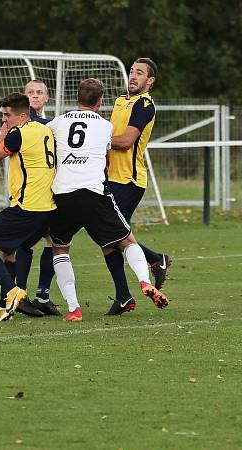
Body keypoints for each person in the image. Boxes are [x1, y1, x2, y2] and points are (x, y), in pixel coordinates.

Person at [46, 78, 169, 321]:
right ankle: (145, 282)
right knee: (126, 241)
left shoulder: (58, 122)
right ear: (100, 102)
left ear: (77, 98)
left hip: (63, 194)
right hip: (94, 193)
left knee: (59, 249)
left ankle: (74, 309)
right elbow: (109, 154)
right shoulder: (105, 127)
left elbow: (45, 139)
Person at [0, 93, 56, 321]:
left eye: (7, 116)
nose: (4, 120)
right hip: (47, 208)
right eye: (2, 115)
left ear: (22, 115)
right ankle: (4, 307)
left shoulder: (19, 134)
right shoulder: (46, 130)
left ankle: (14, 291)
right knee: (9, 253)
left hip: (26, 208)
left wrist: (2, 133)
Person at [104, 57, 171, 315]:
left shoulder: (144, 105)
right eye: (132, 71)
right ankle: (126, 293)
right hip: (111, 177)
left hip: (130, 181)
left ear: (149, 81)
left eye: (139, 73)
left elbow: (125, 141)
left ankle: (150, 264)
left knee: (110, 233)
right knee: (108, 237)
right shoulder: (121, 101)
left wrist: (97, 141)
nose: (133, 76)